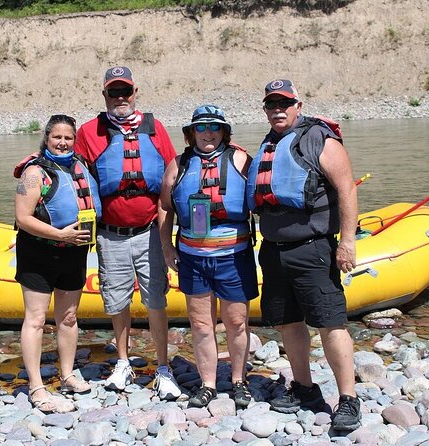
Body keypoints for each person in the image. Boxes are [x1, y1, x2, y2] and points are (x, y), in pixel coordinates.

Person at [246, 79, 362, 431]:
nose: (278, 109)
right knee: (288, 322)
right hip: (274, 251)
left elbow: (346, 189)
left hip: (313, 249)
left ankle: (348, 399)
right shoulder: (270, 142)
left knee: (330, 322)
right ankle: (305, 388)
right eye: (271, 104)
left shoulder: (319, 139)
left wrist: (347, 242)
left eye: (284, 102)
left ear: (298, 104)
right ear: (265, 109)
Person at [74, 66, 181, 400]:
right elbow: (75, 178)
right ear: (104, 95)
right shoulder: (89, 132)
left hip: (150, 231)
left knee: (155, 301)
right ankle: (122, 361)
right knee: (116, 300)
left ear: (136, 93)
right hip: (110, 234)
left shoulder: (155, 129)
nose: (121, 98)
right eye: (113, 93)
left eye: (126, 92)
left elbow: (173, 175)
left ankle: (162, 366)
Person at [158, 105, 258, 409]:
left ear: (224, 131)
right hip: (193, 257)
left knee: (237, 322)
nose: (208, 133)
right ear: (191, 134)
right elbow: (165, 207)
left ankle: (239, 380)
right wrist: (166, 247)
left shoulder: (241, 160)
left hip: (234, 256)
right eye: (201, 128)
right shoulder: (178, 165)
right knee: (201, 324)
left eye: (214, 127)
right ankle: (208, 384)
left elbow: (263, 199)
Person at [14, 114, 99, 412]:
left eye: (68, 138)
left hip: (73, 252)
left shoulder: (81, 167)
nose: (63, 143)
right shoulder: (34, 174)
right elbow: (23, 218)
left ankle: (67, 375)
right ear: (47, 138)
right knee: (36, 319)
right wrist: (59, 233)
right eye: (57, 137)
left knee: (69, 317)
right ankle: (36, 386)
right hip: (38, 253)